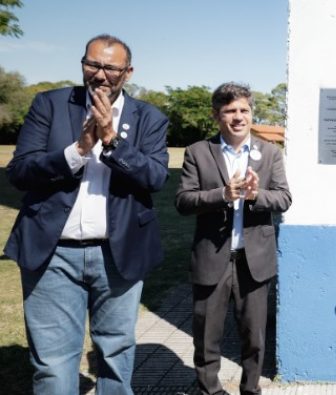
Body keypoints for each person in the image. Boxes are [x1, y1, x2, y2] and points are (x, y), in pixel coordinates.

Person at [4, 34, 169, 393]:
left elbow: (155, 177)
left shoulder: (149, 118)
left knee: (115, 354)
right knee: (52, 364)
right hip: (52, 254)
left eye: (110, 67)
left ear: (128, 72)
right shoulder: (49, 104)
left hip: (118, 253)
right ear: (83, 64)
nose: (99, 74)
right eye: (92, 64)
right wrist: (77, 150)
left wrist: (112, 140)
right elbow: (20, 172)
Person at [175, 82, 292, 395]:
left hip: (254, 260)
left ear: (251, 113)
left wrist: (256, 195)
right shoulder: (198, 152)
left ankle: (250, 389)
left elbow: (283, 199)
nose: (238, 117)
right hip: (212, 258)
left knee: (254, 336)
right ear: (217, 115)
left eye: (244, 110)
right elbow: (183, 201)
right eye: (230, 111)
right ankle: (209, 390)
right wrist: (221, 195)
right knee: (206, 335)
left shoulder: (270, 153)